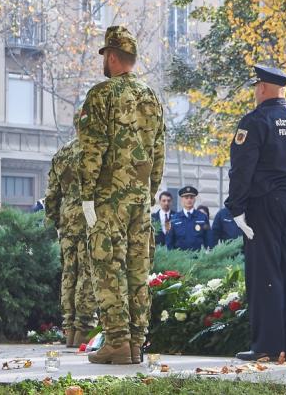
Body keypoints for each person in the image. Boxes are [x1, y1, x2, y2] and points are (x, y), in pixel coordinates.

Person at [79, 26, 165, 365]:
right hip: (140, 202)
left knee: (107, 267)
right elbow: (158, 151)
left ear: (112, 57)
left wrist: (87, 198)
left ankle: (116, 341)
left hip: (108, 199)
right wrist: (150, 191)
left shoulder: (101, 95)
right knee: (137, 269)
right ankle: (135, 342)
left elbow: (91, 151)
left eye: (105, 56)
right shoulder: (152, 98)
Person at [225, 65, 286, 364]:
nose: (254, 92)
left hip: (264, 203)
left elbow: (242, 169)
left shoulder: (255, 121)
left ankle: (265, 345)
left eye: (256, 87)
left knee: (265, 272)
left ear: (262, 87)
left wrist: (235, 207)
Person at [44, 127, 95, 349]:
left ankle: (69, 328)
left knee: (69, 272)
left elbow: (51, 194)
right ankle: (83, 328)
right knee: (88, 270)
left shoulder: (62, 152)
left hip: (67, 215)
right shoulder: (95, 150)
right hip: (90, 215)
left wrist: (56, 219)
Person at [165, 186, 211, 251]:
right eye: (186, 198)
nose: (189, 200)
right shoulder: (173, 219)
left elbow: (208, 238)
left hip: (199, 258)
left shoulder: (203, 217)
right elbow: (169, 241)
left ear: (194, 200)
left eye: (191, 198)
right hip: (180, 258)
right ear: (182, 200)